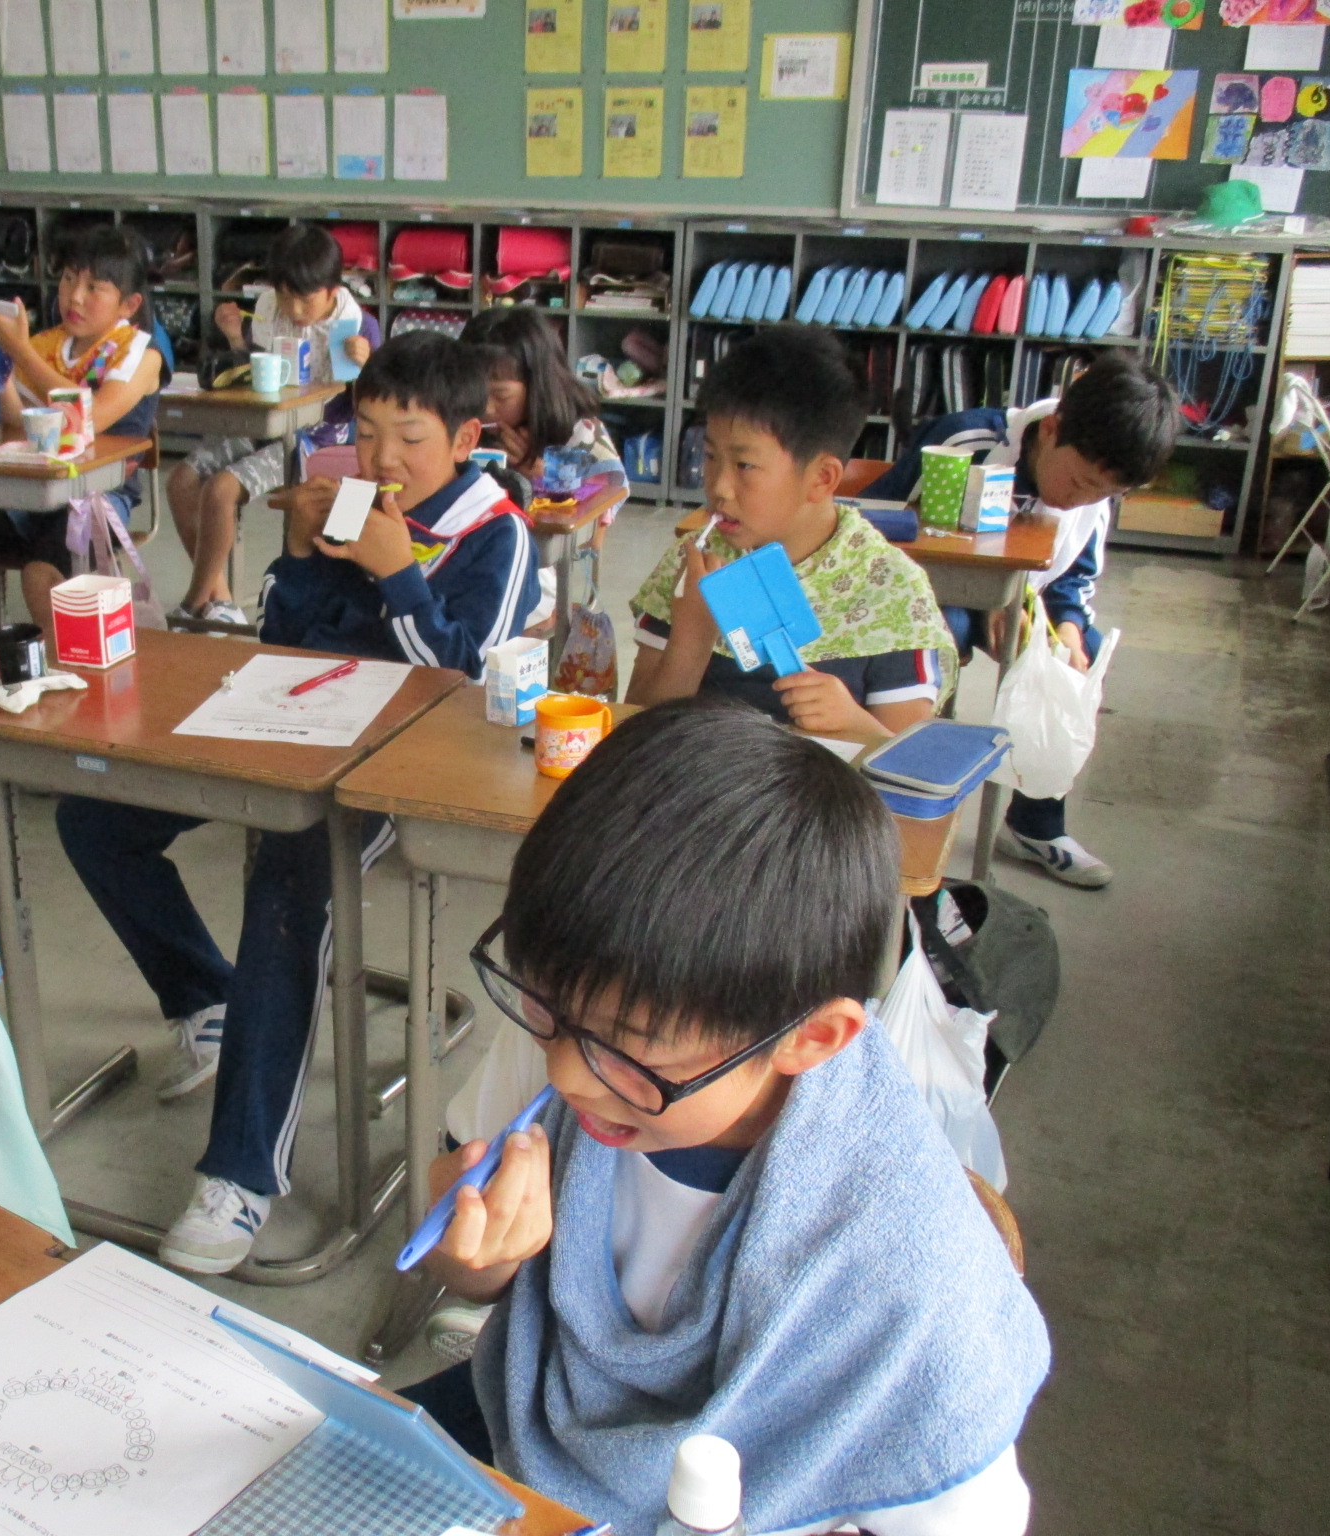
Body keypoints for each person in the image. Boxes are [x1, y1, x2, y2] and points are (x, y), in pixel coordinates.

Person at [403, 702, 1050, 1536]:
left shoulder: (905, 1273)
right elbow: (486, 1268)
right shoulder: (587, 1027)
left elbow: (969, 1511)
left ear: (812, 1038)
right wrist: (474, 1262)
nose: (565, 1076)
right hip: (536, 1426)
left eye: (630, 1051)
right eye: (541, 1008)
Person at [56, 332, 537, 1276]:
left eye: (409, 438)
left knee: (289, 882)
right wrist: (307, 552)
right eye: (367, 433)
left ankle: (241, 1175)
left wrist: (397, 571)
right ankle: (205, 1000)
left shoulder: (497, 533)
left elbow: (463, 684)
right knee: (95, 819)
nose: (382, 458)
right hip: (287, 732)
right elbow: (284, 636)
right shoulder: (354, 499)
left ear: (464, 438)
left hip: (403, 771)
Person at [862, 355, 1178, 889]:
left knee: (1077, 659)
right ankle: (893, 810)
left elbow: (1074, 578)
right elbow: (873, 527)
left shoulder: (1095, 491)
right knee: (937, 645)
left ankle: (1035, 824)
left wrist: (1068, 628)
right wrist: (988, 596)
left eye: (1102, 493)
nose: (1081, 500)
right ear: (1050, 429)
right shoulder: (966, 442)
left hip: (1021, 600)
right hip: (929, 593)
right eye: (1079, 481)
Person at [626, 326, 955, 743]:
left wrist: (855, 724)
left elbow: (908, 772)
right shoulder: (693, 564)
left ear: (822, 478)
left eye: (744, 465)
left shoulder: (889, 589)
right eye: (709, 456)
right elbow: (634, 731)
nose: (719, 487)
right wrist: (692, 635)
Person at [0, 223, 166, 657]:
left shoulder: (142, 354)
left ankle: (73, 687)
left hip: (96, 496)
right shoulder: (47, 344)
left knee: (42, 578)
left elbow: (89, 416)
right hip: (29, 489)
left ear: (129, 304)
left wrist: (19, 351)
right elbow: (17, 423)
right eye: (68, 279)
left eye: (93, 288)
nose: (74, 297)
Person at [166, 223, 378, 628]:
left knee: (221, 490)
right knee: (180, 480)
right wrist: (235, 339)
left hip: (314, 439)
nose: (293, 310)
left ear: (333, 290)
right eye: (283, 296)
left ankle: (194, 604)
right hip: (263, 425)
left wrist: (367, 365)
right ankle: (220, 599)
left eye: (305, 299)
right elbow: (256, 371)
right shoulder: (269, 313)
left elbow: (378, 402)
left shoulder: (358, 327)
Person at [459, 306, 627, 541]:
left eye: (501, 396)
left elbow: (602, 510)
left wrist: (543, 477)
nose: (484, 408)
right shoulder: (461, 422)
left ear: (538, 386)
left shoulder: (579, 431)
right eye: (474, 392)